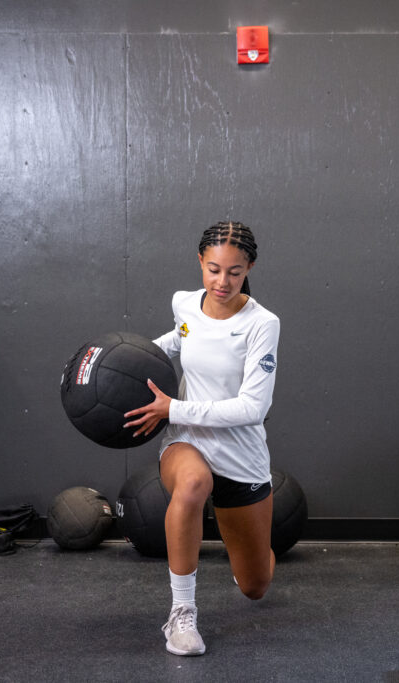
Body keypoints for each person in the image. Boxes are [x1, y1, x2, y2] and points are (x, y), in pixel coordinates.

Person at [123, 220, 280, 656]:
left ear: (249, 267)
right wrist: (121, 365)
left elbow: (253, 408)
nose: (221, 282)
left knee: (255, 585)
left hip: (240, 455)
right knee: (192, 484)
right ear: (200, 262)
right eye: (212, 270)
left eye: (233, 271)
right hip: (185, 440)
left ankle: (255, 561)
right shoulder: (185, 305)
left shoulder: (262, 324)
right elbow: (179, 340)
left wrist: (172, 407)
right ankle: (181, 614)